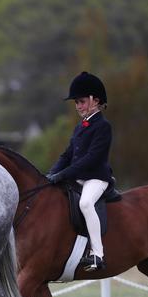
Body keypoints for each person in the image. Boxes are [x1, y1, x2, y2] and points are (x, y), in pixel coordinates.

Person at [46, 71, 113, 271]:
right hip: (78, 177)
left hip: (96, 178)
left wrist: (64, 174)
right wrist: (50, 175)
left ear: (95, 101)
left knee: (85, 203)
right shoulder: (80, 127)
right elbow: (67, 155)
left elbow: (91, 159)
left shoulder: (103, 126)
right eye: (76, 103)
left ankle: (97, 255)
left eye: (82, 101)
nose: (78, 106)